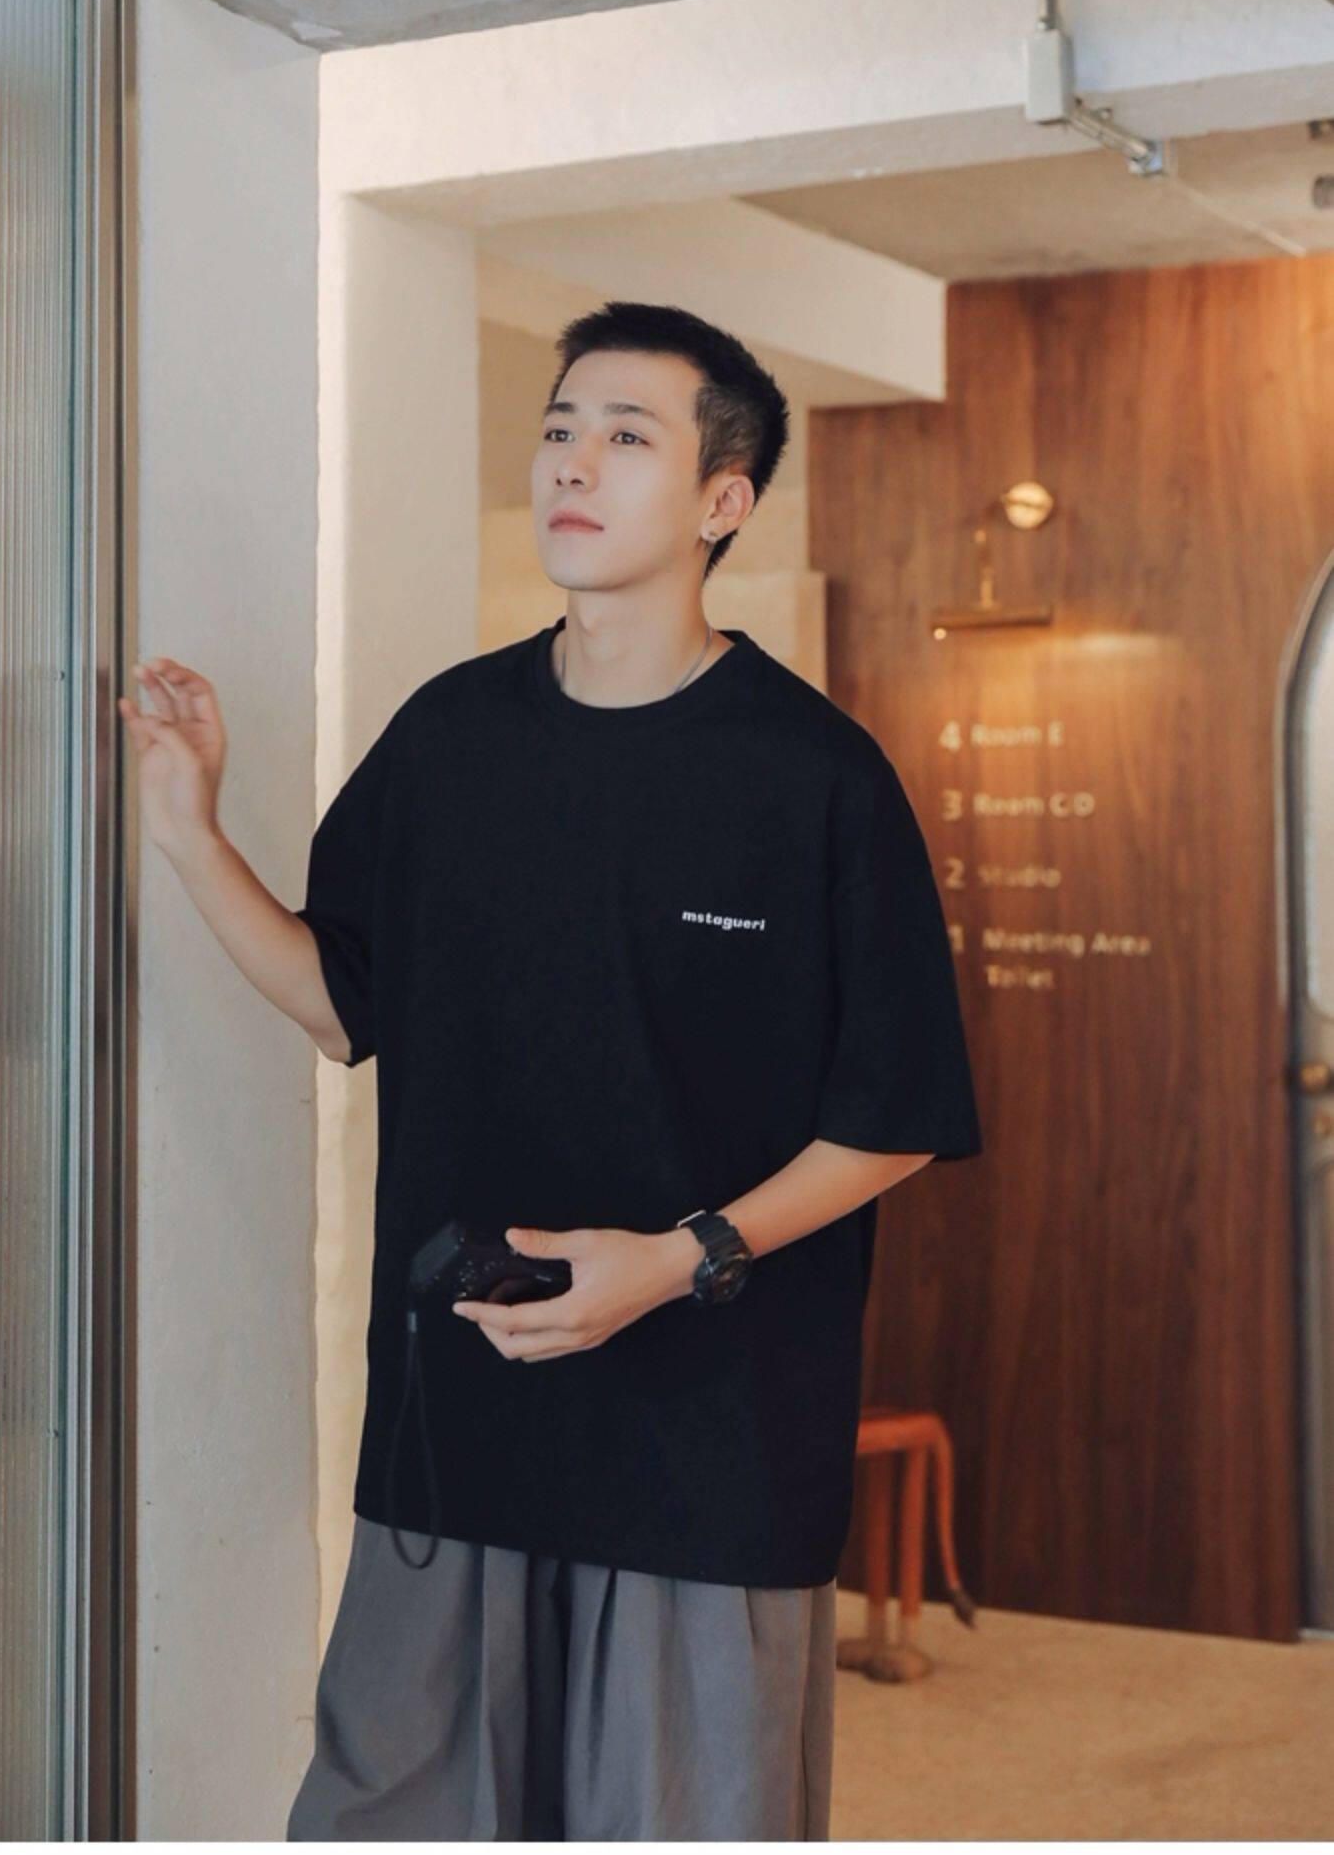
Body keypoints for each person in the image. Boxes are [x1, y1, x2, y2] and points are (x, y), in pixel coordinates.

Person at [118, 298, 983, 1841]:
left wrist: (681, 1256)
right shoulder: (451, 738)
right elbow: (340, 1002)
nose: (573, 462)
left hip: (710, 1443)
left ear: (723, 499)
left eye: (627, 436)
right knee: (392, 1810)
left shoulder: (816, 776)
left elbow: (897, 1114)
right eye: (559, 429)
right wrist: (190, 832)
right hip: (460, 1425)